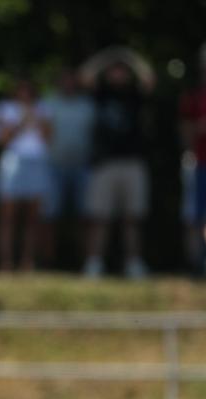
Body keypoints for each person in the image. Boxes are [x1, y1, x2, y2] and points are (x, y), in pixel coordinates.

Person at [80, 46, 155, 279]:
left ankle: (133, 263)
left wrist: (129, 58)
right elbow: (85, 75)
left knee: (133, 218)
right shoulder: (100, 93)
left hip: (133, 162)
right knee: (99, 218)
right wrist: (109, 57)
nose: (118, 74)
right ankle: (94, 264)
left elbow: (149, 77)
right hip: (104, 163)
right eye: (114, 70)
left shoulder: (135, 94)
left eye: (122, 71)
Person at [0, 78, 52, 272]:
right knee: (8, 217)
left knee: (32, 218)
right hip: (13, 162)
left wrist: (35, 118)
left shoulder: (43, 108)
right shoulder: (6, 108)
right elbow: (2, 139)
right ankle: (6, 263)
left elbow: (48, 137)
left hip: (37, 163)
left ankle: (28, 262)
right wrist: (21, 121)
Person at [40, 68, 95, 267]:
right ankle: (48, 261)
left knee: (85, 217)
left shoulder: (87, 106)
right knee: (49, 217)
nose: (68, 84)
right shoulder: (47, 103)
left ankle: (85, 262)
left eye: (72, 81)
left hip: (82, 167)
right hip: (52, 167)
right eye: (65, 80)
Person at [179, 42, 206, 275]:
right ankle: (197, 265)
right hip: (200, 163)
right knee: (196, 216)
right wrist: (199, 129)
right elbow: (185, 130)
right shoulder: (194, 97)